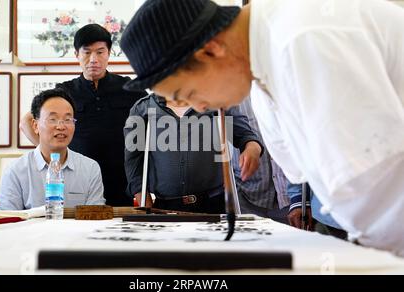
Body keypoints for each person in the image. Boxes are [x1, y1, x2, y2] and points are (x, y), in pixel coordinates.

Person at [120, 0, 404, 255]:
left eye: (189, 92)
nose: (200, 107)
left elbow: (376, 186)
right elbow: (306, 170)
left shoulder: (303, 38)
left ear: (210, 50)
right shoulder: (260, 75)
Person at [20, 24, 147, 206]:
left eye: (100, 52)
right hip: (77, 180)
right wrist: (52, 154)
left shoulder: (130, 88)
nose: (93, 59)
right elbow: (26, 121)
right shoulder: (64, 91)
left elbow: (153, 126)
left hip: (121, 181)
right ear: (77, 55)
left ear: (109, 53)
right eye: (86, 52)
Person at [124, 93, 262, 213]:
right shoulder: (142, 108)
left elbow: (246, 136)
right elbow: (133, 163)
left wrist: (252, 148)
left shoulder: (216, 102)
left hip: (213, 203)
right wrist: (146, 206)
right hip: (165, 207)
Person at [0, 88, 105, 210]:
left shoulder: (90, 168)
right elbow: (8, 222)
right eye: (52, 119)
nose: (61, 126)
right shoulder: (15, 171)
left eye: (67, 120)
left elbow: (94, 220)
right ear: (35, 126)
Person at [231, 96, 289, 224]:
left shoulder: (284, 90)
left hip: (288, 195)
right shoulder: (234, 93)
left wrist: (300, 200)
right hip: (246, 195)